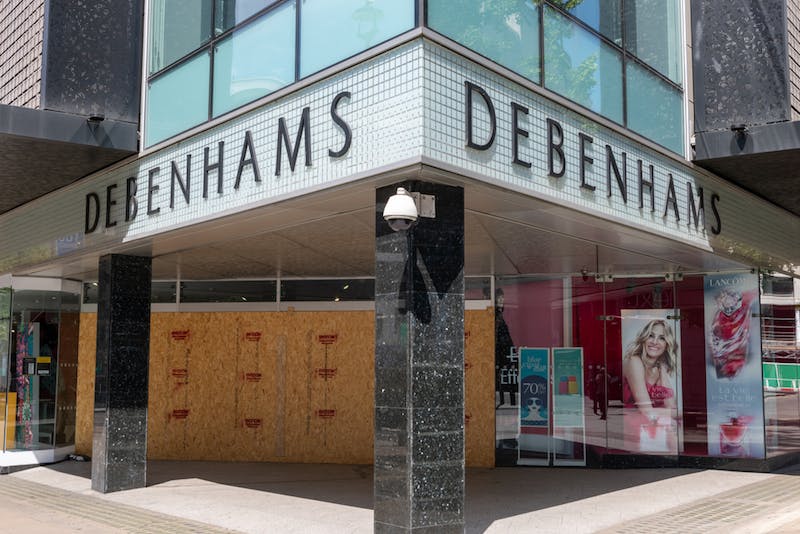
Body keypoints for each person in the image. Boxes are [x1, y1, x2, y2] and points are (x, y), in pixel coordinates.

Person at [622, 319, 679, 452]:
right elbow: (646, 410)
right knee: (672, 427)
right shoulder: (634, 361)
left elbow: (671, 406)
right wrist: (675, 413)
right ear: (644, 339)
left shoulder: (659, 368)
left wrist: (663, 370)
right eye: (651, 336)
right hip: (636, 423)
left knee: (672, 428)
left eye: (662, 338)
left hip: (655, 423)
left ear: (667, 344)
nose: (654, 342)